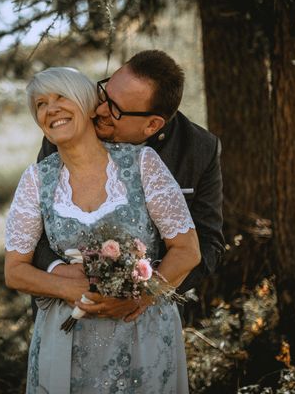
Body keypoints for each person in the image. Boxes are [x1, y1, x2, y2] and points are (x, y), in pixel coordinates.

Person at [4, 66, 201, 393]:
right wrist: (69, 288)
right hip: (67, 338)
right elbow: (15, 271)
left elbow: (187, 250)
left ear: (86, 103)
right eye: (40, 104)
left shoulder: (142, 163)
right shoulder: (36, 180)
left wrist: (140, 299)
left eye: (60, 97)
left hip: (143, 331)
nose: (50, 108)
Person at [32, 50, 224, 321]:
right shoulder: (70, 129)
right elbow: (32, 228)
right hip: (67, 310)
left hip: (148, 315)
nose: (98, 110)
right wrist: (58, 272)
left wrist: (142, 292)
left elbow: (208, 245)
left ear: (152, 125)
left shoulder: (198, 150)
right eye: (105, 94)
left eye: (115, 109)